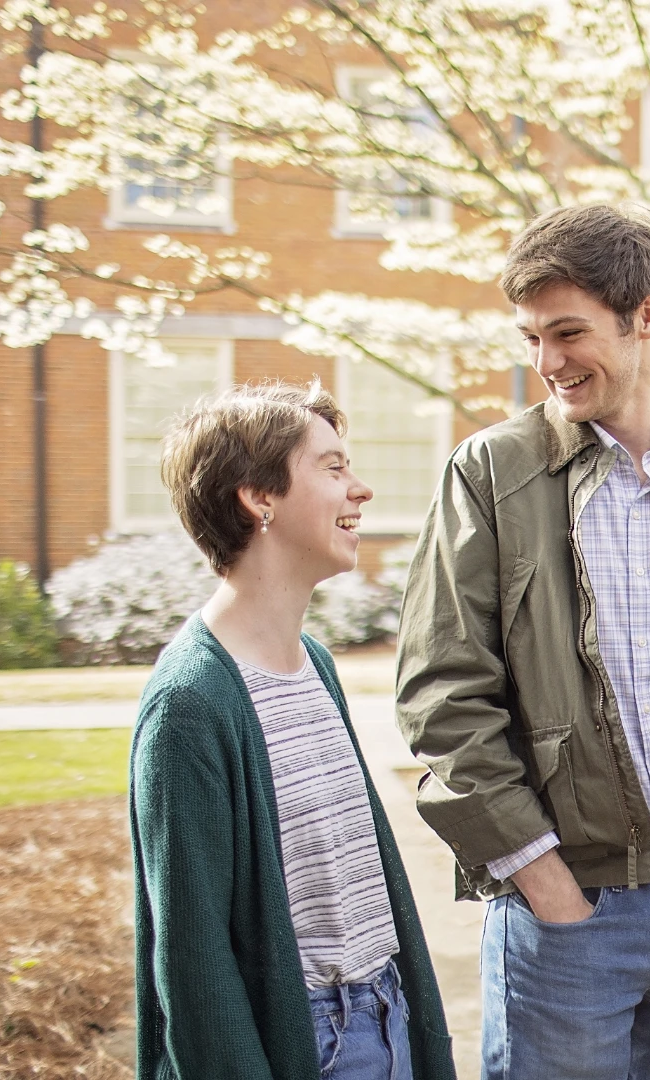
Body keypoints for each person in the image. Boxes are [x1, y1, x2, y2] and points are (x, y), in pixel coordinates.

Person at [395, 203, 650, 1080]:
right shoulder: (490, 474)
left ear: (645, 315)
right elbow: (442, 691)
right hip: (565, 911)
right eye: (532, 337)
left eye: (568, 332)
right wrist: (545, 884)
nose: (547, 363)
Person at [129, 382, 455, 1080]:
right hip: (307, 1043)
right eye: (333, 468)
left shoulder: (315, 664)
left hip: (385, 1017)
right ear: (260, 497)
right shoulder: (190, 706)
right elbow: (193, 962)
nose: (359, 489)